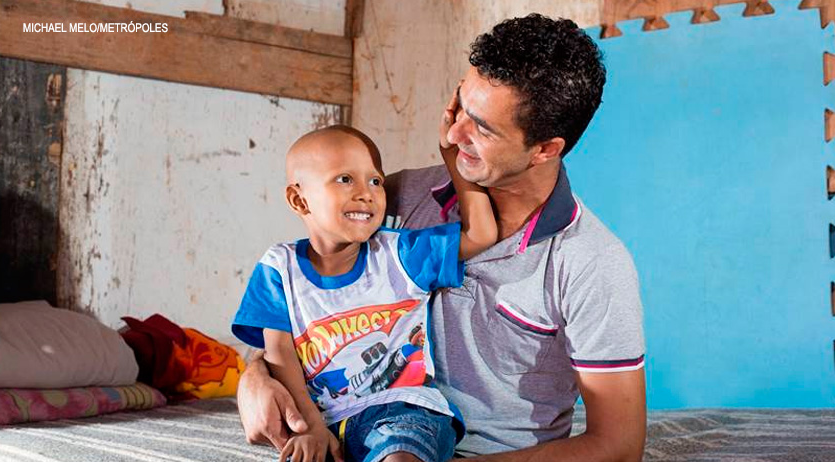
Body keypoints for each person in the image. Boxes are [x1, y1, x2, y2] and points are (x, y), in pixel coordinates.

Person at [237, 13, 647, 462]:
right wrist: (254, 375)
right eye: (461, 109)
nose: (452, 135)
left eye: (483, 128)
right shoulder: (403, 196)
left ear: (546, 149)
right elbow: (308, 298)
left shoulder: (591, 262)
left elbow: (619, 446)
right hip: (358, 430)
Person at [230, 124, 498, 462]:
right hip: (327, 421)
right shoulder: (278, 269)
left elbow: (483, 233)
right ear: (299, 199)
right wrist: (311, 426)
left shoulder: (400, 255)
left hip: (403, 412)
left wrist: (451, 155)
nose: (366, 192)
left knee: (401, 453)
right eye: (345, 179)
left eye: (376, 181)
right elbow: (280, 355)